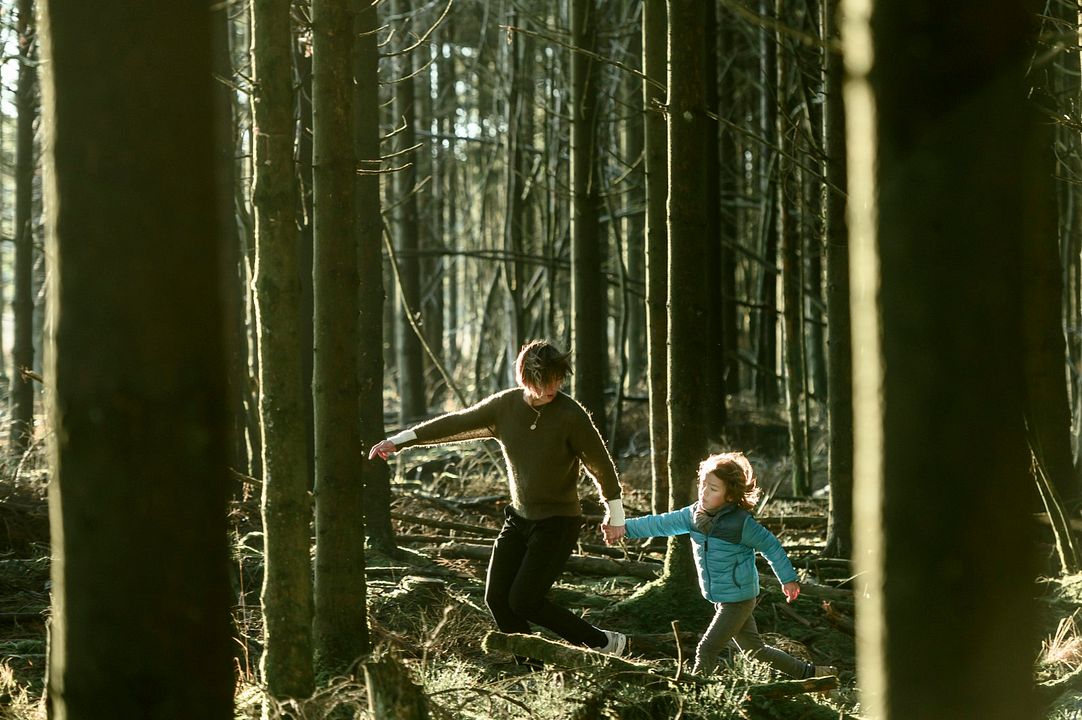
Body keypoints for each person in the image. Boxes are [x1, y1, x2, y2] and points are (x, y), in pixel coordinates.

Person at [369, 339, 629, 658]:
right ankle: (530, 665)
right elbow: (457, 422)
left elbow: (600, 464)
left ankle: (604, 643)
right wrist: (400, 441)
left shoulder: (569, 414)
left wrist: (614, 514)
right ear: (526, 378)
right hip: (518, 521)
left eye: (558, 379)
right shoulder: (505, 407)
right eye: (546, 381)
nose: (553, 387)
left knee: (525, 601)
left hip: (558, 524)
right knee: (497, 598)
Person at [602, 452, 835, 678]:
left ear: (730, 496)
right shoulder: (693, 515)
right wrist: (622, 527)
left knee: (707, 649)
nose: (704, 492)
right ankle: (814, 674)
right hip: (723, 597)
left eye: (713, 489)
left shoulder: (740, 524)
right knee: (756, 651)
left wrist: (788, 579)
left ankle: (696, 693)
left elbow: (771, 546)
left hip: (739, 599)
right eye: (703, 484)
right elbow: (659, 524)